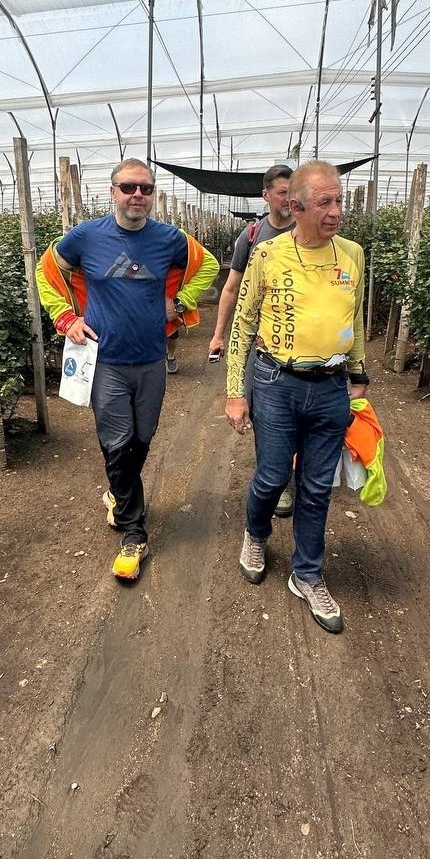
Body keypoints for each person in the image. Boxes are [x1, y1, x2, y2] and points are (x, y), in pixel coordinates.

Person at [36, 158, 218, 583]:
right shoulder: (86, 236)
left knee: (141, 439)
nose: (138, 195)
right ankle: (135, 533)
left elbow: (208, 264)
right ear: (113, 192)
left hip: (152, 358)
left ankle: (119, 492)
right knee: (117, 443)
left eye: (146, 188)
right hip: (106, 361)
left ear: (153, 195)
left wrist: (181, 301)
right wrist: (65, 317)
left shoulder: (169, 238)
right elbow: (47, 272)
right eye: (129, 187)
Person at [224, 160, 370, 634]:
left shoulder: (352, 254)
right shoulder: (268, 254)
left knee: (316, 486)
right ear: (296, 206)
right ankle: (256, 533)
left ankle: (307, 574)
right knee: (271, 477)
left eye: (339, 200)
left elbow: (355, 317)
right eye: (325, 202)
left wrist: (358, 371)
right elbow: (244, 324)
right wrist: (235, 392)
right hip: (275, 383)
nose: (336, 211)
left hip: (330, 387)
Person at [209, 163, 296, 515]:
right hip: (259, 343)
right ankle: (278, 479)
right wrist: (219, 334)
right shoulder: (251, 236)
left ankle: (289, 474)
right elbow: (231, 288)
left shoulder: (309, 231)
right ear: (266, 195)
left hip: (299, 341)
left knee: (298, 412)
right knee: (263, 411)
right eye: (282, 192)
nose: (289, 199)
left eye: (294, 192)